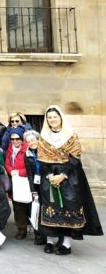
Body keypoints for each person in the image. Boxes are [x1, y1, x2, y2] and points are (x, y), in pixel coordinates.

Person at [36, 105, 103, 255]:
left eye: (55, 116)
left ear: (61, 118)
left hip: (69, 177)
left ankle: (66, 243)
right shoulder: (43, 137)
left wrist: (62, 176)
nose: (52, 119)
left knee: (68, 208)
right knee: (50, 207)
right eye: (49, 117)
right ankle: (50, 241)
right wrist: (49, 176)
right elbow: (42, 161)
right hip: (49, 177)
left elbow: (75, 160)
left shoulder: (71, 136)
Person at [5, 130, 30, 239]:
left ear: (22, 139)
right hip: (15, 182)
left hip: (27, 181)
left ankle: (39, 233)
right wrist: (11, 171)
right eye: (12, 139)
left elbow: (31, 166)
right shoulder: (9, 150)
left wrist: (19, 172)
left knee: (30, 206)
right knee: (18, 207)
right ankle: (21, 229)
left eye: (17, 139)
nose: (15, 141)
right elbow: (7, 163)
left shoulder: (27, 149)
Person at [23, 130, 46, 245]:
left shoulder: (45, 151)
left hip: (47, 183)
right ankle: (40, 235)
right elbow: (30, 174)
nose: (31, 143)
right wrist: (33, 190)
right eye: (28, 141)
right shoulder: (27, 155)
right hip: (36, 184)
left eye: (32, 140)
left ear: (38, 139)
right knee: (36, 209)